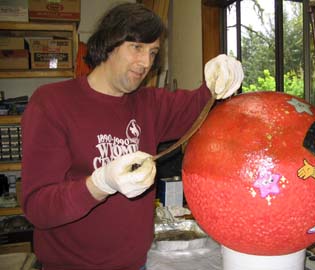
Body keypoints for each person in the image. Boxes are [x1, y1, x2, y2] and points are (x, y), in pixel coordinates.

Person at [20, 2, 244, 270]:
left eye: (153, 52)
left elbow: (201, 105)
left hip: (137, 264)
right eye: (136, 48)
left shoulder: (149, 104)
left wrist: (219, 79)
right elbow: (37, 208)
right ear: (109, 43)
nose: (146, 62)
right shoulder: (52, 103)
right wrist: (99, 184)